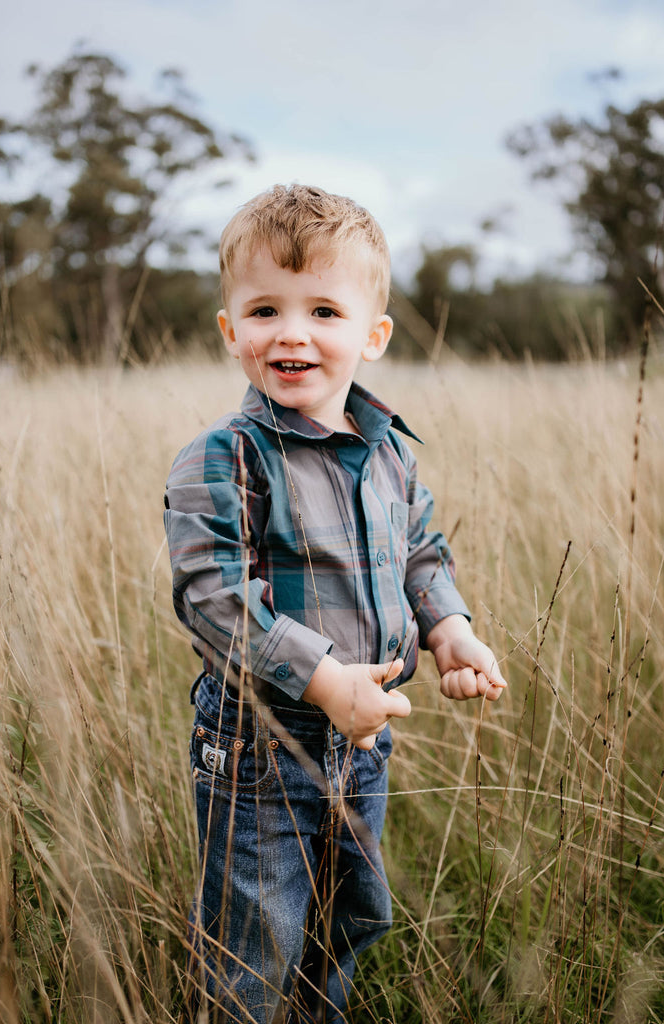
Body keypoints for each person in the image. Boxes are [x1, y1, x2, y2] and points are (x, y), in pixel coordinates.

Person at [164, 183, 507, 1023]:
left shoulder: (387, 453)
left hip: (364, 742)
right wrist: (321, 681)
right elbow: (211, 595)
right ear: (230, 331)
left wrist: (450, 628)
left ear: (371, 335)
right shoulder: (223, 456)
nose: (292, 332)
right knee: (256, 944)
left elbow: (419, 551)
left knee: (347, 920)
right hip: (259, 746)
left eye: (324, 310)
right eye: (264, 309)